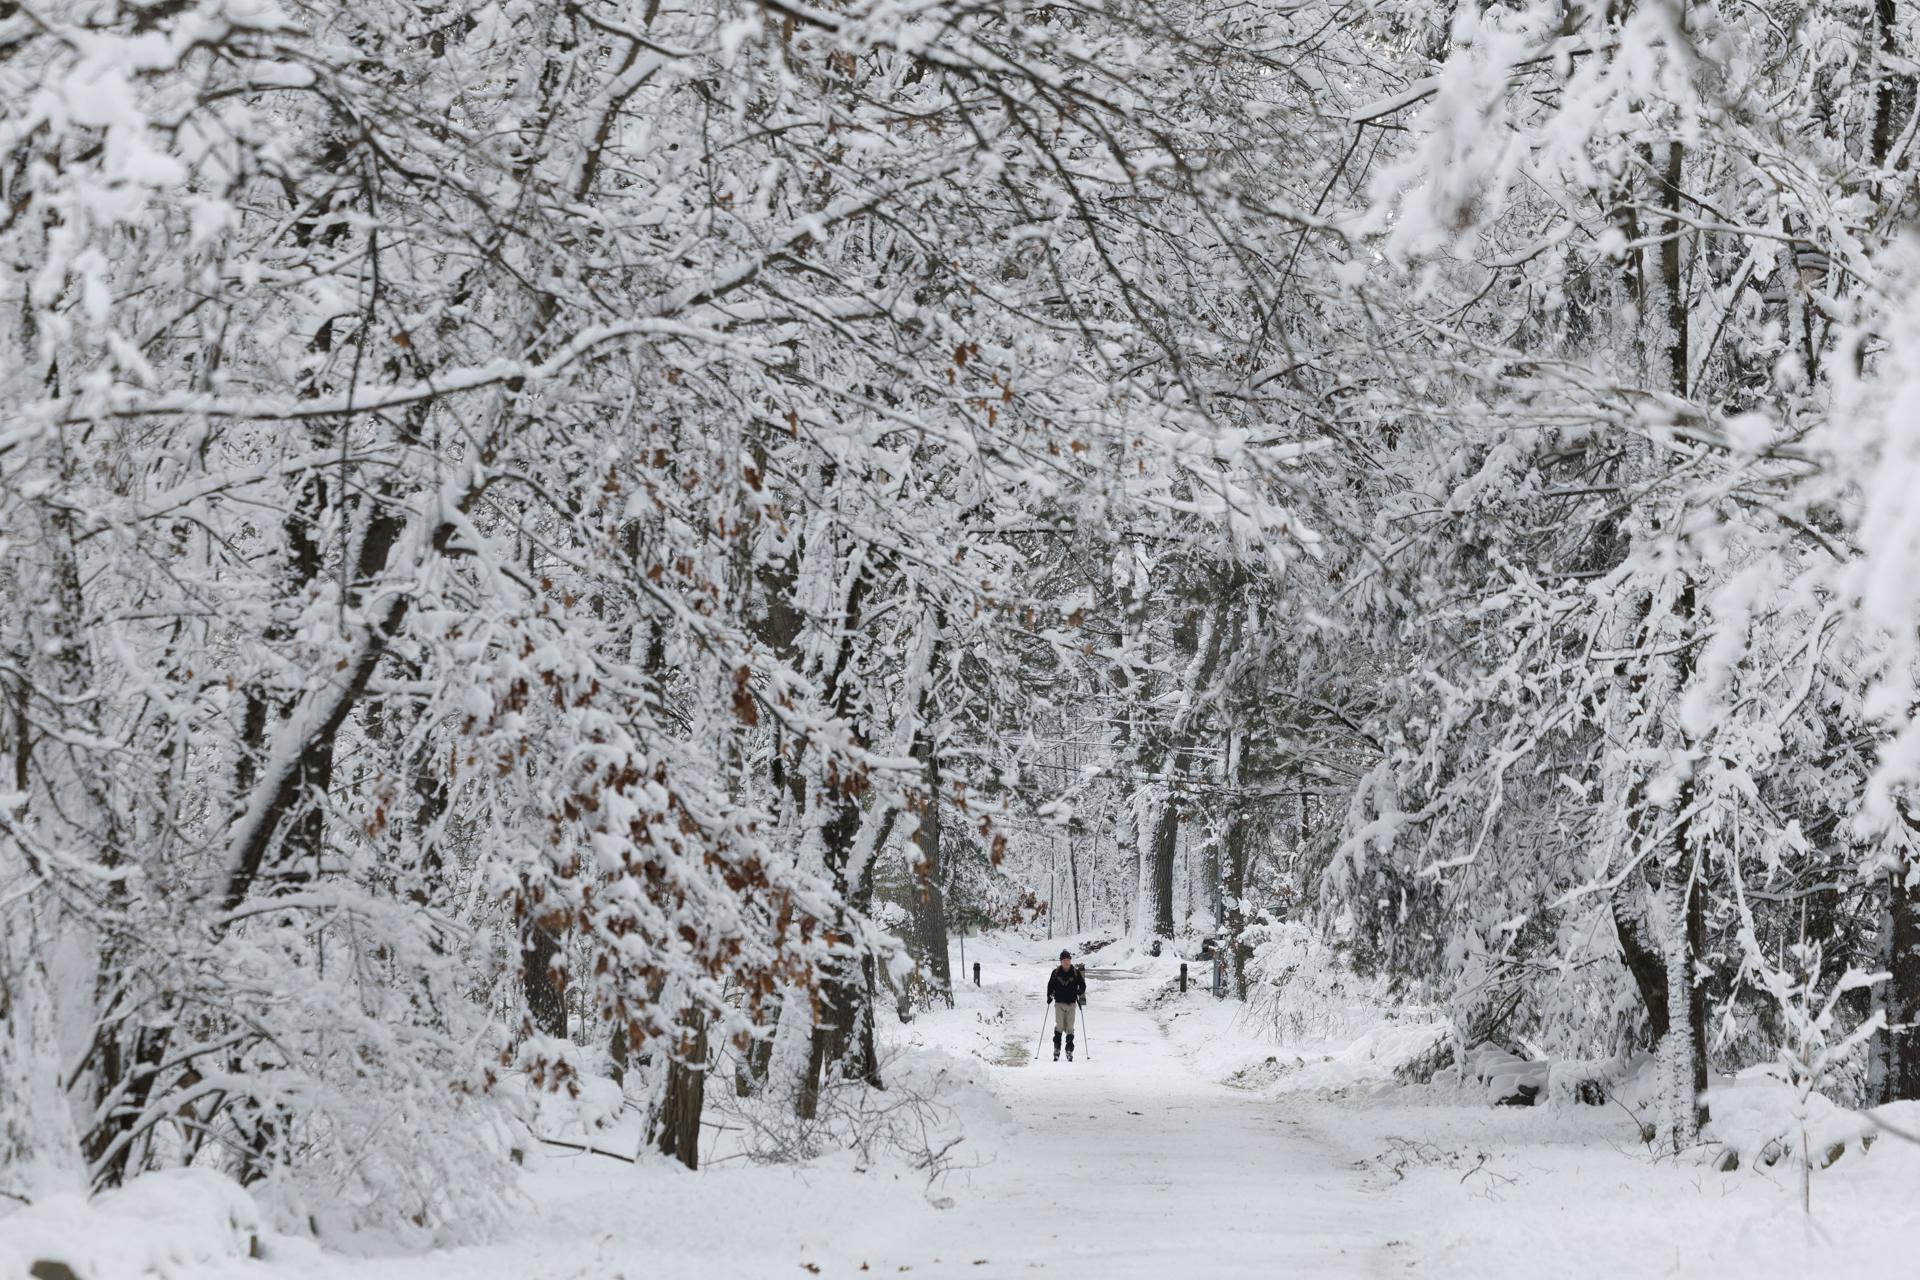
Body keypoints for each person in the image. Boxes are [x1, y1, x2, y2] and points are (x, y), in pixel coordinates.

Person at [1046, 949, 1086, 1061]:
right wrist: (1049, 996)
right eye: (1064, 960)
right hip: (1059, 1003)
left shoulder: (1075, 972)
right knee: (1059, 1026)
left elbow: (1083, 986)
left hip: (1071, 1004)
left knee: (1070, 1027)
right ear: (1061, 961)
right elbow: (1050, 986)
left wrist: (1078, 993)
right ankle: (1057, 1048)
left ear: (1070, 960)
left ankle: (1069, 1050)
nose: (1066, 962)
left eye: (1067, 960)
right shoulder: (1056, 972)